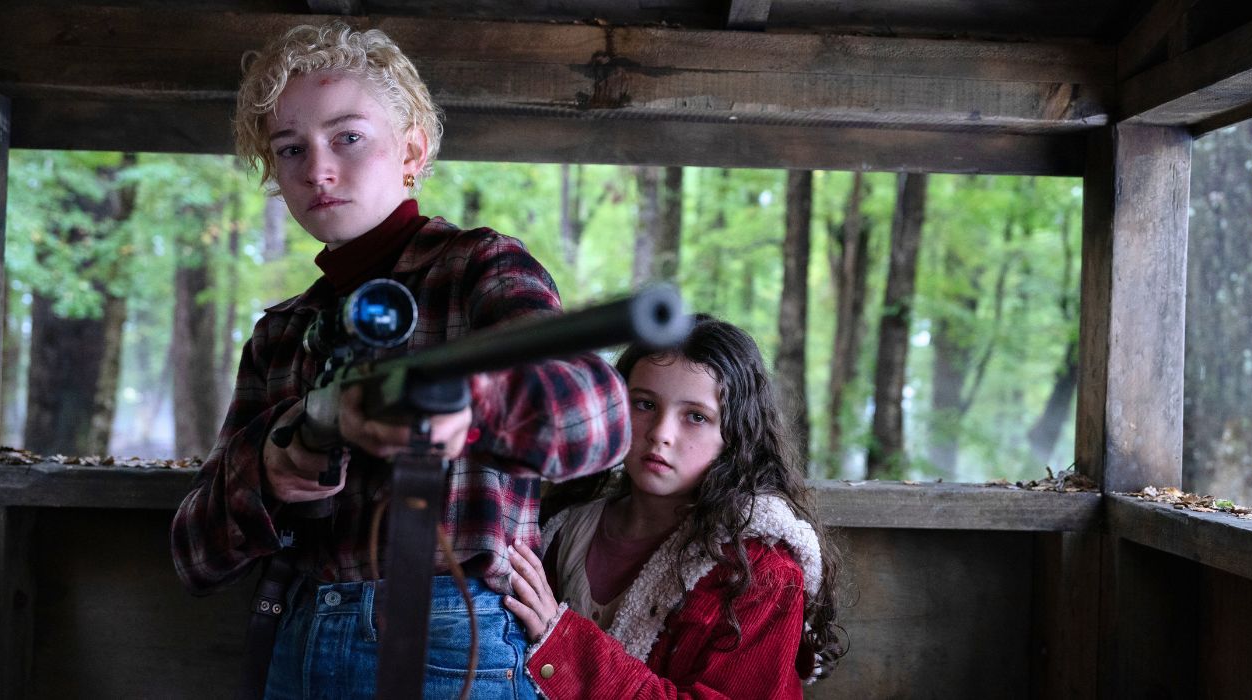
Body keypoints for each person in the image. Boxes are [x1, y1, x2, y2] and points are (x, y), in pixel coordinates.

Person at [169, 21, 629, 699]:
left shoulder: (480, 267)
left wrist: (474, 407)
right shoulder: (283, 331)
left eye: (347, 137)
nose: (318, 170)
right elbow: (193, 554)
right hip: (297, 631)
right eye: (290, 149)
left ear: (412, 149)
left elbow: (600, 420)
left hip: (452, 633)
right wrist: (269, 469)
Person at [504, 315, 846, 698]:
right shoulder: (561, 530)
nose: (661, 434)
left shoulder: (760, 569)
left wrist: (562, 640)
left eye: (696, 416)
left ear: (733, 437)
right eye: (645, 404)